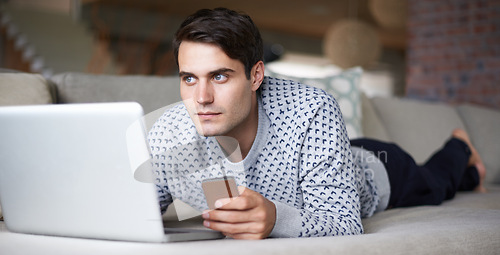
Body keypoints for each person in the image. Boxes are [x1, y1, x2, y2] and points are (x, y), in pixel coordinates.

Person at [148, 8, 486, 240]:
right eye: (189, 78)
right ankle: (472, 172)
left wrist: (276, 218)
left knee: (437, 183)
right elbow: (144, 204)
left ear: (255, 75)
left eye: (219, 76)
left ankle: (460, 146)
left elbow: (344, 223)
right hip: (330, 156)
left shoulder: (310, 109)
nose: (201, 97)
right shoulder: (172, 132)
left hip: (378, 170)